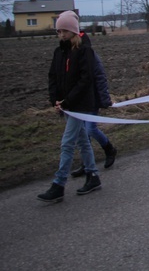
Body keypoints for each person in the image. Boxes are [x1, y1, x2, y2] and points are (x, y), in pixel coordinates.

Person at [37, 10, 102, 203]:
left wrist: (68, 101)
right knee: (82, 141)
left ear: (73, 31)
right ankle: (93, 176)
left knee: (67, 143)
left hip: (79, 105)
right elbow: (53, 77)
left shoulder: (84, 51)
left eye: (65, 31)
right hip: (66, 105)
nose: (62, 35)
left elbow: (86, 79)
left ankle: (59, 184)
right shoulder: (59, 52)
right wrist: (55, 100)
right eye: (59, 31)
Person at [70, 32, 117, 177]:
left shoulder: (91, 57)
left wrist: (104, 99)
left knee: (90, 129)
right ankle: (87, 163)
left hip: (92, 99)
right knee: (82, 133)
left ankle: (109, 149)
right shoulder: (71, 57)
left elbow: (100, 77)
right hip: (79, 102)